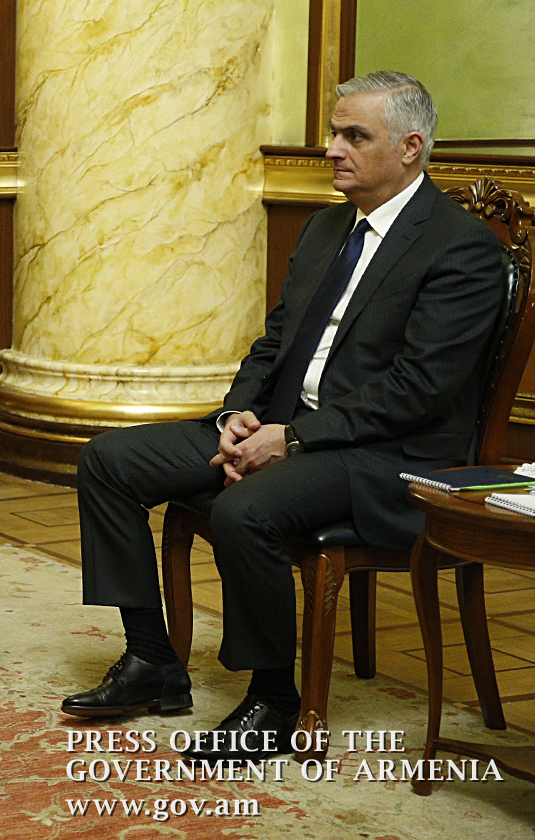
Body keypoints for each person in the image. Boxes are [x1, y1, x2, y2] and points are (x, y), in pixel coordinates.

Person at [64, 71, 505, 762]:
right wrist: (239, 413)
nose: (332, 149)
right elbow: (274, 342)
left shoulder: (460, 246)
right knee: (109, 460)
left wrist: (293, 438)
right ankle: (152, 659)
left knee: (247, 510)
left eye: (353, 136)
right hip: (285, 426)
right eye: (333, 133)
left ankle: (273, 700)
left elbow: (418, 389)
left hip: (387, 456)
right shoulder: (327, 227)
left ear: (410, 146)